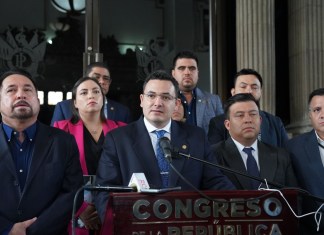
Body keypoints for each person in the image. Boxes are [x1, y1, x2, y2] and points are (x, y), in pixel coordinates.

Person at [94, 70, 236, 221]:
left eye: (165, 97)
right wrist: (120, 225)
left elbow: (215, 182)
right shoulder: (118, 139)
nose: (157, 102)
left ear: (176, 104)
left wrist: (245, 203)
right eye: (151, 95)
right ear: (142, 100)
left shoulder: (196, 137)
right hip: (138, 226)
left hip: (185, 225)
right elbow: (104, 191)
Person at [0, 69, 83, 235]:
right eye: (11, 90)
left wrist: (31, 230)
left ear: (37, 100)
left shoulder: (63, 142)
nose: (21, 95)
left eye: (28, 90)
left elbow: (72, 194)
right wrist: (7, 229)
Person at [53, 77, 126, 235]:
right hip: (75, 207)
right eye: (84, 93)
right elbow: (55, 177)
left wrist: (106, 208)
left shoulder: (121, 130)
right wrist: (80, 209)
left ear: (103, 99)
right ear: (75, 103)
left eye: (96, 92)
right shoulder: (60, 130)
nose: (91, 96)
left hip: (113, 206)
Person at [212, 93, 297, 190]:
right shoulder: (213, 156)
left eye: (253, 114)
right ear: (228, 125)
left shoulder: (280, 156)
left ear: (260, 121)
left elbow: (294, 197)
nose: (248, 120)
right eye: (240, 115)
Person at [208, 68, 288, 148]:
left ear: (260, 92)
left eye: (254, 87)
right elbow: (214, 156)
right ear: (233, 92)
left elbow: (286, 155)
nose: (249, 91)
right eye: (243, 86)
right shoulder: (217, 123)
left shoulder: (276, 123)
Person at [286, 88, 324, 234]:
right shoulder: (294, 148)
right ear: (310, 115)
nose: (322, 115)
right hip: (311, 228)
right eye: (317, 110)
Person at [50, 62, 132, 126]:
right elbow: (55, 141)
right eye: (96, 77)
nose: (102, 81)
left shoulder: (123, 112)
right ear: (85, 79)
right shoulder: (64, 108)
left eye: (106, 79)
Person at [171, 50, 223, 134]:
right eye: (182, 68)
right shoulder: (165, 100)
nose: (187, 72)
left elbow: (223, 132)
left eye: (192, 68)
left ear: (197, 73)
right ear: (173, 73)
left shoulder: (214, 101)